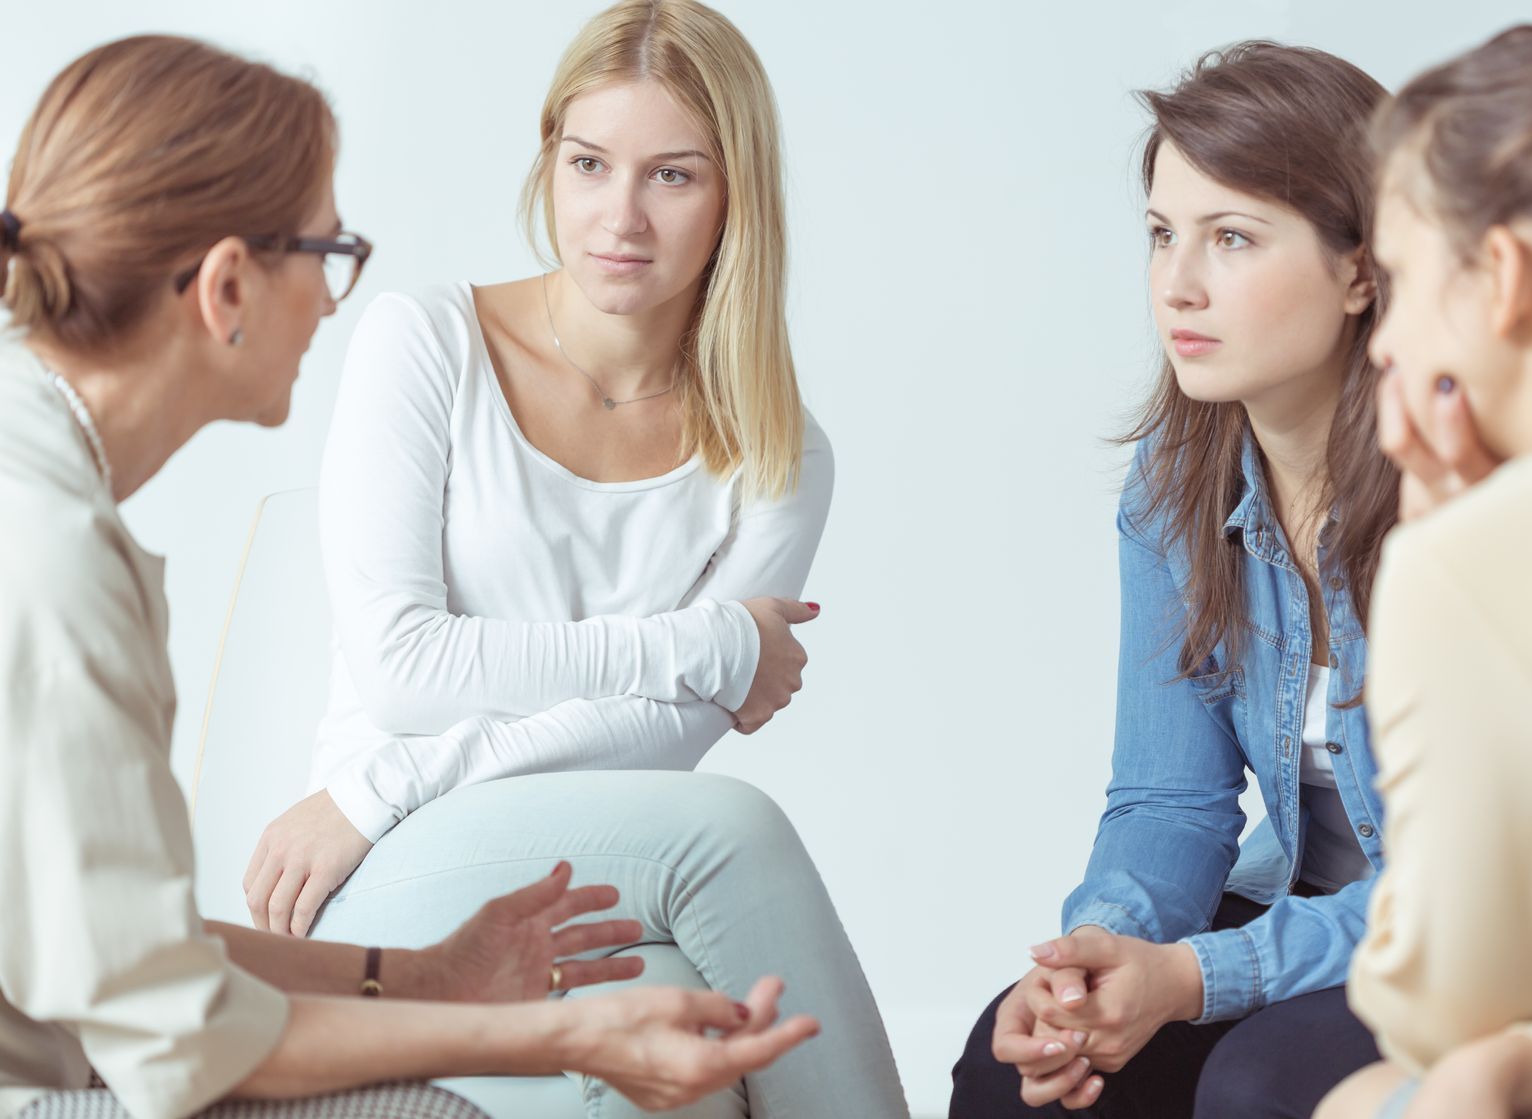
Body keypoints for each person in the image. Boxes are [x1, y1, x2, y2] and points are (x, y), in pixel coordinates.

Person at [0, 34, 815, 1119]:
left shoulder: (46, 501)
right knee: (718, 847)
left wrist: (423, 977)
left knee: (667, 1048)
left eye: (671, 175)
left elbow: (117, 954)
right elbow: (171, 1033)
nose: (334, 302)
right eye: (329, 250)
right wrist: (552, 1034)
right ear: (230, 285)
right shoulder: (51, 561)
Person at [241, 2, 908, 1116]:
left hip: (574, 868)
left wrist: (393, 774)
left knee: (691, 1062)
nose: (619, 217)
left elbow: (659, 737)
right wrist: (709, 642)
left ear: (736, 195)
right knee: (736, 829)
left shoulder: (779, 452)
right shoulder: (427, 344)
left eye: (672, 176)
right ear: (548, 159)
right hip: (380, 858)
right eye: (589, 163)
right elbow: (404, 669)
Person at [949, 42, 1399, 1119]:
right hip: (1303, 904)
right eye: (1162, 234)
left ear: (1362, 269)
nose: (1176, 284)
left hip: (1476, 934)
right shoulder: (1173, 485)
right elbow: (1170, 800)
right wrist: (1098, 954)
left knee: (1260, 1085)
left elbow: (1469, 890)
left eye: (1231, 237)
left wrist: (1196, 977)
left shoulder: (1463, 499)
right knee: (1020, 1072)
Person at [1311, 3, 1532, 1118]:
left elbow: (1446, 1011)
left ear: (1504, 278)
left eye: (1400, 278)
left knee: (1370, 1098)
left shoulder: (1483, 557)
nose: (1381, 341)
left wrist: (1440, 549)